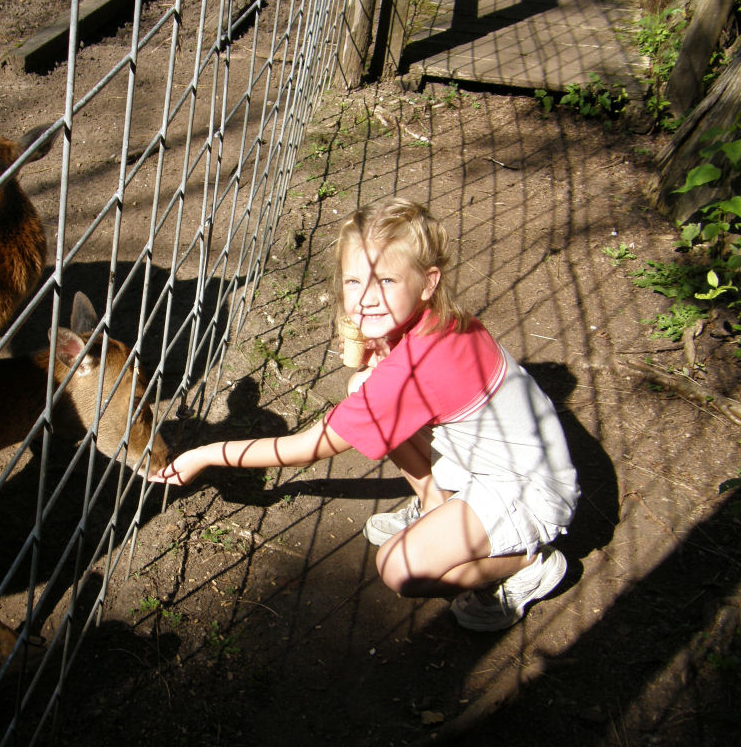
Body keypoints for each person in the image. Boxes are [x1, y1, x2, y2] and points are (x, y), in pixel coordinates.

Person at [149, 198, 579, 631]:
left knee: (400, 568)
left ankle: (527, 564)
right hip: (503, 459)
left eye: (386, 280)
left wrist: (204, 455)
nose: (366, 299)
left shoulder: (415, 369)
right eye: (354, 281)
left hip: (527, 493)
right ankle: (437, 505)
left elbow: (304, 449)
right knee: (363, 388)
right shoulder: (436, 320)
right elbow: (392, 386)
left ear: (428, 282)